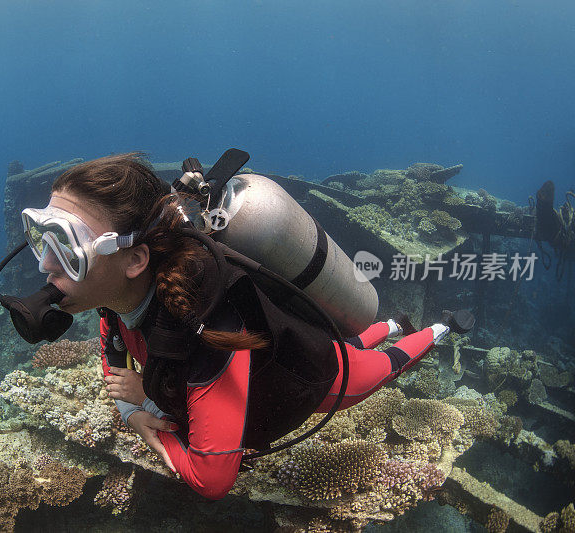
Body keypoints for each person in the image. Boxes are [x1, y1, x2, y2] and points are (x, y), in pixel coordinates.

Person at [31, 153, 472, 501]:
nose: (45, 266)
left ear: (135, 259)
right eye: (40, 237)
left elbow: (211, 479)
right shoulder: (113, 298)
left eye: (67, 246)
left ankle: (439, 328)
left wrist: (143, 410)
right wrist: (133, 409)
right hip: (294, 348)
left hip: (320, 378)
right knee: (352, 345)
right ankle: (391, 322)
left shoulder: (204, 324)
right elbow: (113, 359)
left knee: (378, 367)